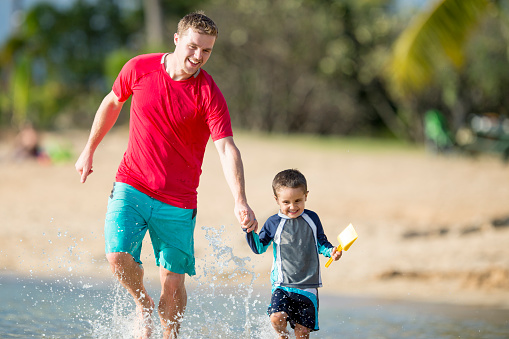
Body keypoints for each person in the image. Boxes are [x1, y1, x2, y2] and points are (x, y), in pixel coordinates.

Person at [75, 11, 257, 339]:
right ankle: (142, 303)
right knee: (117, 257)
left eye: (206, 51)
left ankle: (169, 335)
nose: (198, 57)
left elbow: (227, 147)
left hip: (178, 199)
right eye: (193, 47)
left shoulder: (208, 93)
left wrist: (240, 200)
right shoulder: (139, 67)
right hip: (131, 183)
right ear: (176, 40)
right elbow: (113, 101)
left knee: (172, 285)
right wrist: (90, 148)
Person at [245, 169, 341, 339]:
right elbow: (259, 248)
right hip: (282, 284)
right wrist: (249, 231)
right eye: (286, 202)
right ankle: (283, 337)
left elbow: (321, 243)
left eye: (298, 200)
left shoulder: (312, 218)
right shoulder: (273, 222)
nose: (293, 206)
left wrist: (331, 252)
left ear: (306, 195)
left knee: (303, 332)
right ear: (277, 200)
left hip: (308, 286)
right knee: (276, 317)